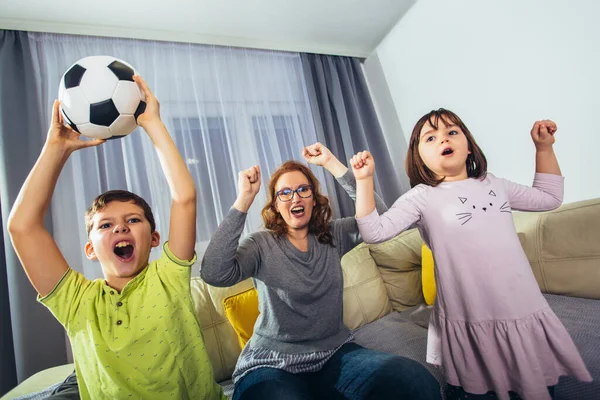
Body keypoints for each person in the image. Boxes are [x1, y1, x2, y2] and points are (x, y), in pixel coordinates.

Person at [8, 76, 225, 400]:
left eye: (132, 220)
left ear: (153, 238)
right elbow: (22, 227)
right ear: (90, 249)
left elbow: (184, 198)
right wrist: (56, 148)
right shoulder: (77, 301)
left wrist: (151, 123)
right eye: (105, 226)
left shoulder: (168, 277)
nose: (120, 229)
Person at [351, 108, 592, 400]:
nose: (443, 139)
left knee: (536, 387)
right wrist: (364, 181)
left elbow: (549, 197)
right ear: (418, 158)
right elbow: (374, 232)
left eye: (452, 132)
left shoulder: (496, 184)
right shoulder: (422, 197)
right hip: (470, 312)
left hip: (521, 306)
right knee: (479, 391)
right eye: (430, 137)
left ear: (468, 146)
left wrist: (543, 148)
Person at [200, 142, 442, 400]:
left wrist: (333, 165)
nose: (295, 197)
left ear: (314, 199)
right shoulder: (260, 244)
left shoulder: (333, 234)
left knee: (413, 379)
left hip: (334, 353)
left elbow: (381, 220)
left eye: (303, 189)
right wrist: (243, 200)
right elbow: (214, 272)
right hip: (272, 362)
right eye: (285, 193)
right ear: (276, 205)